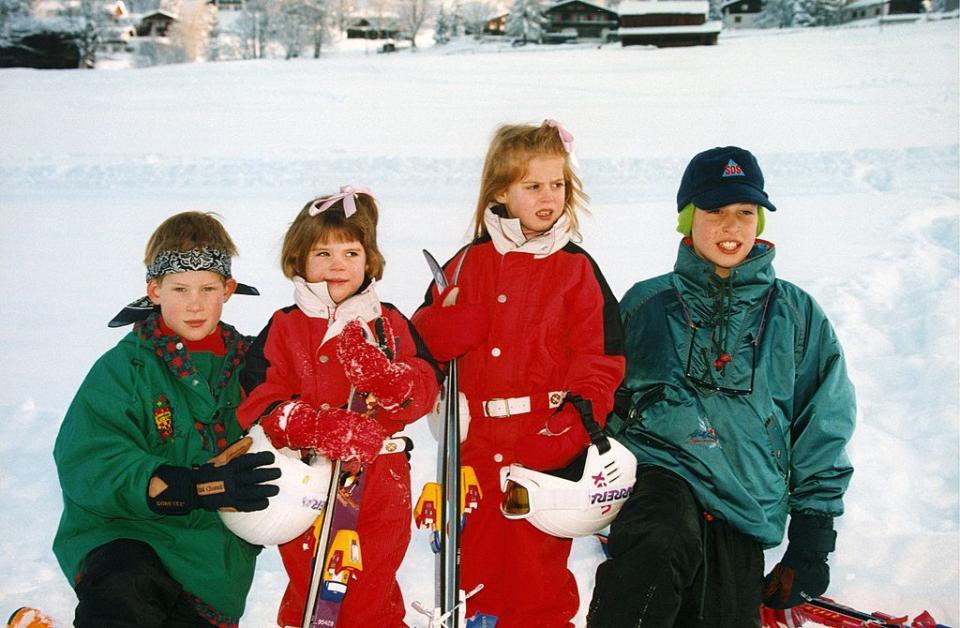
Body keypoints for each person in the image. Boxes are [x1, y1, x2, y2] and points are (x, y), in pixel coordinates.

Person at [587, 146, 856, 627]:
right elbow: (599, 392)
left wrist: (813, 536)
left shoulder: (797, 315)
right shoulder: (647, 304)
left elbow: (823, 422)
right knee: (655, 548)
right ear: (688, 219)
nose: (731, 227)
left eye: (745, 213)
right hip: (660, 479)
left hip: (745, 502)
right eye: (715, 211)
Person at [411, 120, 625, 627]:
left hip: (543, 444)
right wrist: (441, 330)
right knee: (476, 569)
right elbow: (421, 354)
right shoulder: (465, 265)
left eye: (557, 185)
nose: (548, 197)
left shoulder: (576, 269)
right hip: (475, 448)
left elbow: (600, 359)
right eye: (533, 186)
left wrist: (575, 422)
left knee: (537, 574)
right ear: (501, 191)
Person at [53, 211, 280, 628]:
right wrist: (191, 485)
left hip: (213, 566)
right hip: (127, 541)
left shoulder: (255, 365)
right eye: (179, 288)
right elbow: (88, 460)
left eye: (207, 288)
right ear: (154, 290)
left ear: (228, 290)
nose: (194, 303)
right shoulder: (125, 368)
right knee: (127, 585)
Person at [237, 186, 441, 628]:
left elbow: (425, 386)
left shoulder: (388, 323)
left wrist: (390, 381)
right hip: (307, 482)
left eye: (351, 253)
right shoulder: (284, 327)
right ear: (299, 260)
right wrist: (310, 425)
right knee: (310, 588)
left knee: (372, 588)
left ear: (369, 260)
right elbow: (259, 399)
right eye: (323, 253)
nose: (337, 265)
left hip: (382, 482)